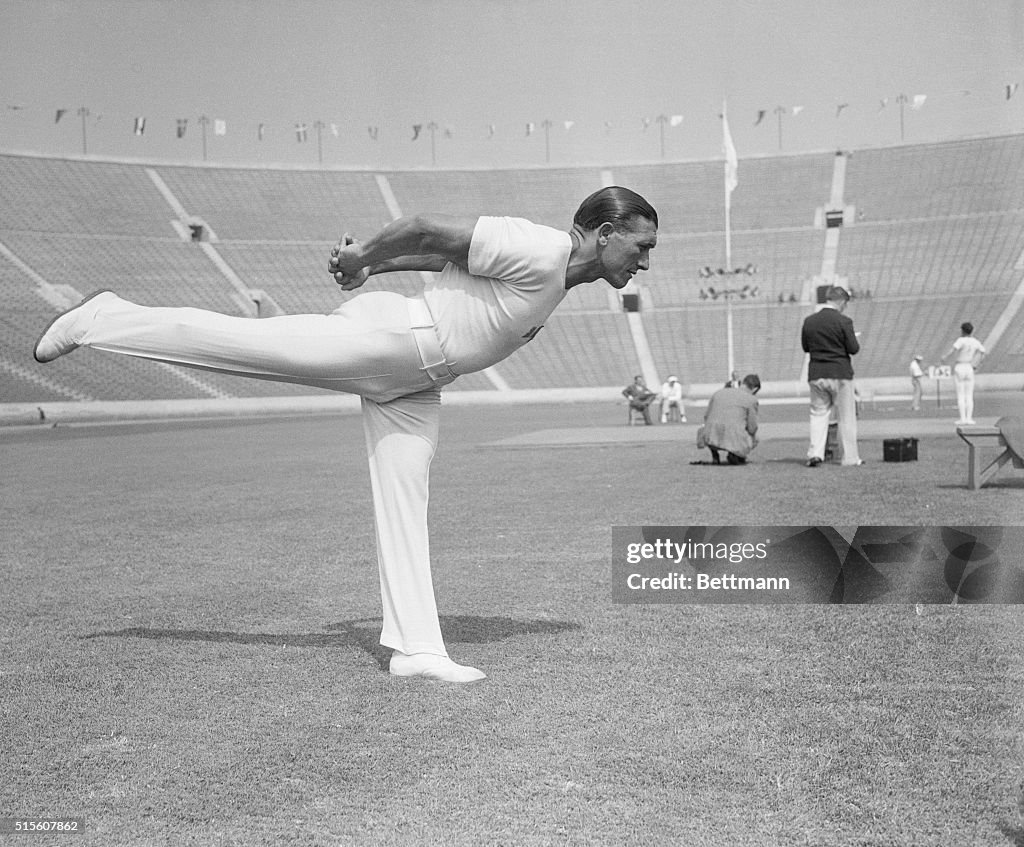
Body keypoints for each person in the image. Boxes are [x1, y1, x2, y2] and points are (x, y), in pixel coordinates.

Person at [33, 185, 659, 683]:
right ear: (604, 234)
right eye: (640, 246)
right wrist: (364, 259)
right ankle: (105, 317)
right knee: (246, 346)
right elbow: (426, 227)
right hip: (395, 342)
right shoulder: (542, 248)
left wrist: (372, 265)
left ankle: (416, 648)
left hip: (417, 383)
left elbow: (439, 258)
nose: (644, 261)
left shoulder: (557, 276)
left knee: (406, 506)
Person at [801, 284, 862, 467]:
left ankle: (815, 454)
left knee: (818, 414)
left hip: (817, 372)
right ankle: (850, 457)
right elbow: (853, 349)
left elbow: (806, 348)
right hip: (840, 372)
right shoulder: (844, 321)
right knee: (846, 416)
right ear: (841, 301)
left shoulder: (809, 321)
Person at [699, 374, 761, 464]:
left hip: (710, 436)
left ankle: (715, 455)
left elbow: (706, 416)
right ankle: (737, 454)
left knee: (711, 426)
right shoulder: (751, 399)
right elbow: (752, 427)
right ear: (755, 389)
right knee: (754, 438)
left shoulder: (718, 393)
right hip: (732, 437)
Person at [941, 322, 986, 425]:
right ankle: (969, 418)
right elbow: (983, 352)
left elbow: (953, 350)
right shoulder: (975, 341)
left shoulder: (961, 340)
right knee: (969, 395)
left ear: (962, 330)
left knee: (961, 395)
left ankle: (963, 418)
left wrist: (945, 357)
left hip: (960, 366)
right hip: (969, 366)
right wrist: (977, 363)